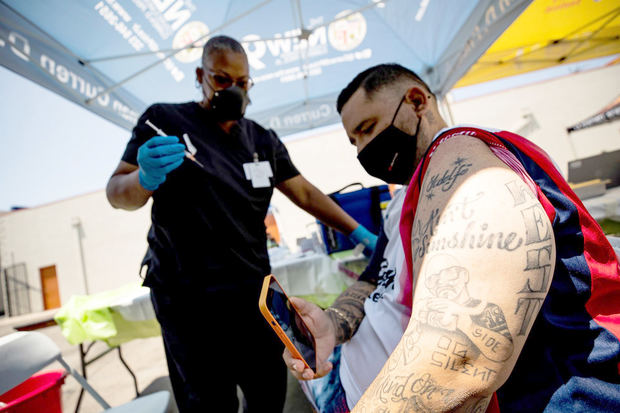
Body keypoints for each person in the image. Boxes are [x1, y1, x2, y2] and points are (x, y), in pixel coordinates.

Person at [283, 63, 620, 412]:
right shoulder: (405, 197)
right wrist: (332, 323)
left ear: (416, 102)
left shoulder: (463, 154)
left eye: (368, 129)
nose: (362, 150)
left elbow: (463, 357)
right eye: (354, 141)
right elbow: (374, 277)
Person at [105, 35, 377, 413]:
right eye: (221, 79)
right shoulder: (164, 121)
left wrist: (358, 231)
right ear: (201, 75)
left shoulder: (262, 140)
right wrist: (143, 179)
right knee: (208, 402)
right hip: (187, 299)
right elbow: (116, 191)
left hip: (254, 295)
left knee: (268, 393)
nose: (233, 89)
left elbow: (306, 194)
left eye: (243, 82)